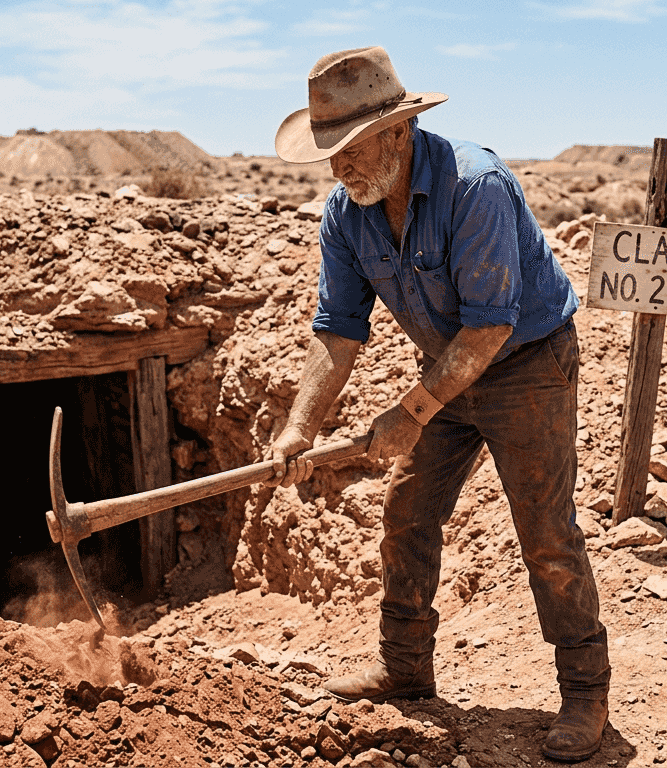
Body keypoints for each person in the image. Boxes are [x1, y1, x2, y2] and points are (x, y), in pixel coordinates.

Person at [266, 46, 611, 762]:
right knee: (407, 514)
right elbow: (337, 329)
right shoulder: (347, 212)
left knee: (546, 532)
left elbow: (491, 324)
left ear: (398, 131)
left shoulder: (474, 185)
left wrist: (409, 410)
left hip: (527, 364)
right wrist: (299, 428)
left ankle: (585, 692)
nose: (340, 169)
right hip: (448, 371)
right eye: (329, 155)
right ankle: (406, 668)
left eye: (351, 150)